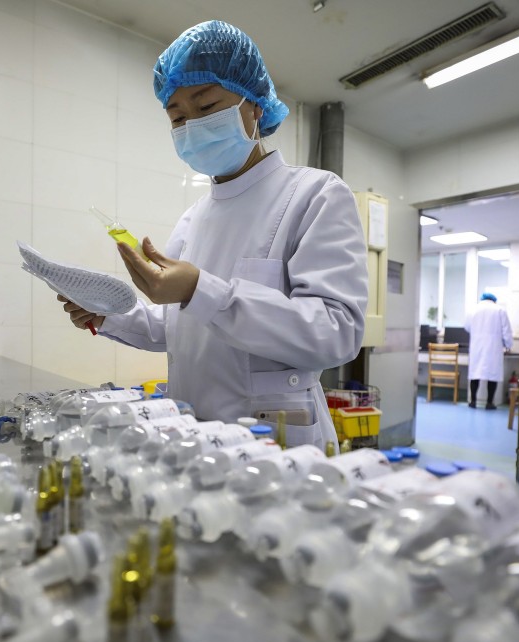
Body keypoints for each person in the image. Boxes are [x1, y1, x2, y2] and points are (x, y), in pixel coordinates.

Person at [58, 20, 369, 452]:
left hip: (275, 443)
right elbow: (181, 329)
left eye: (206, 107)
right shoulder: (194, 218)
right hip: (193, 438)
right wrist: (106, 315)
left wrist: (201, 290)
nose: (193, 126)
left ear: (255, 105)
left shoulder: (315, 195)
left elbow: (336, 333)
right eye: (178, 117)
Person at [464, 292, 513, 409]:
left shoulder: (473, 309)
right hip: (493, 347)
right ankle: (489, 403)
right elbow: (506, 330)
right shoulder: (500, 310)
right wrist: (508, 345)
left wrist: (477, 333)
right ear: (494, 300)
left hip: (477, 346)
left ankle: (473, 401)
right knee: (492, 375)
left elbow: (467, 327)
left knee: (475, 374)